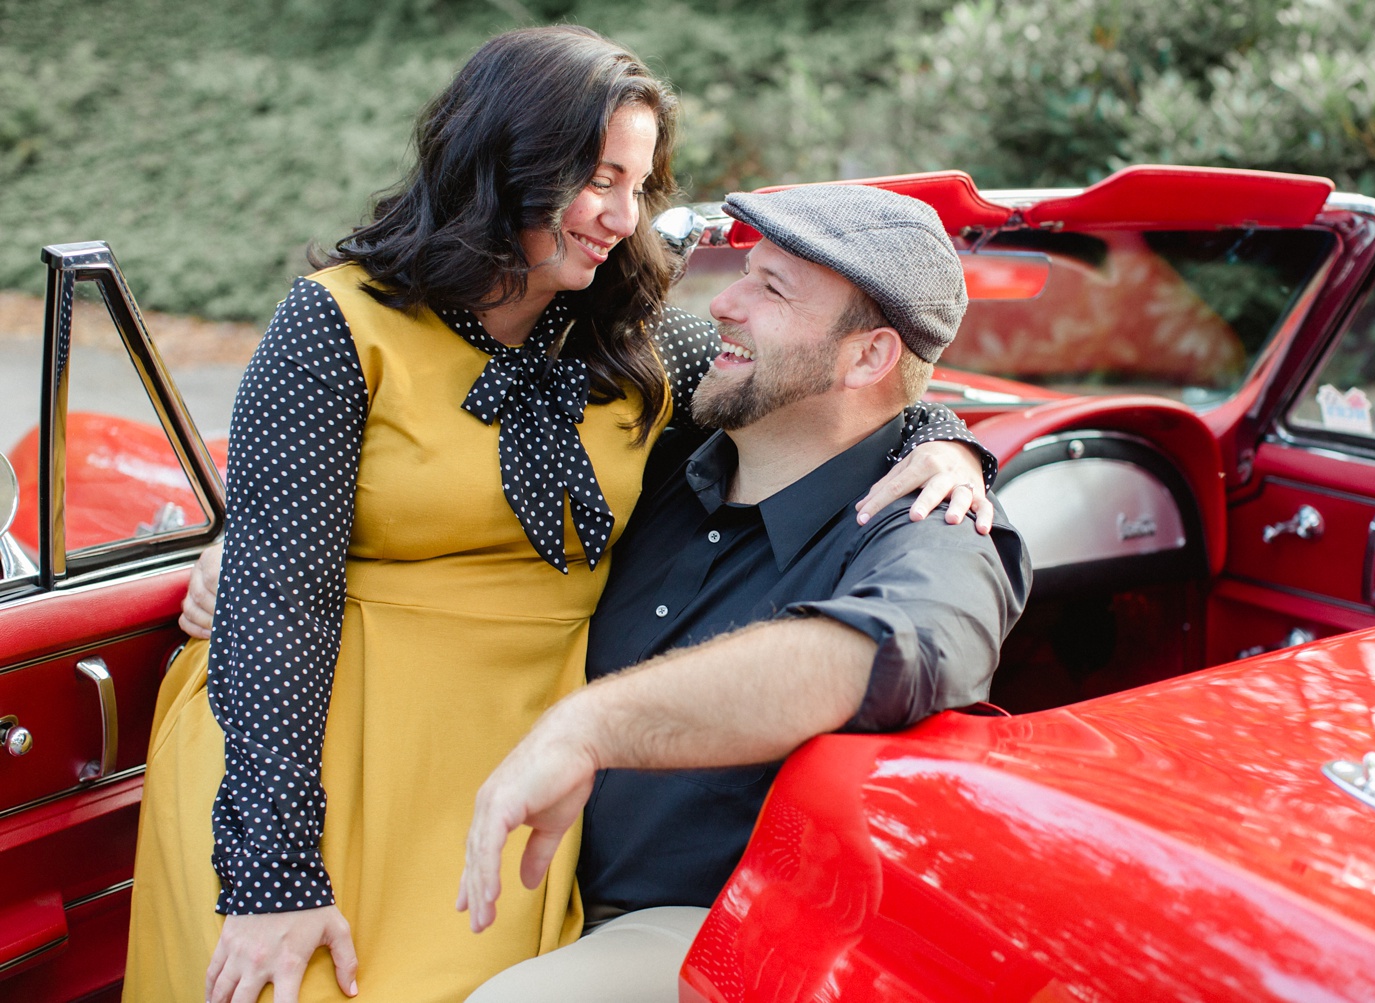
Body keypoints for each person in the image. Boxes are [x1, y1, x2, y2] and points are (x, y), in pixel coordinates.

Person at [126, 26, 995, 1003]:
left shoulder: (640, 344)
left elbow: (841, 388)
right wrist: (274, 871)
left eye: (640, 185)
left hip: (512, 765)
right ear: (504, 163)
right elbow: (277, 603)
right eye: (600, 179)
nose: (623, 216)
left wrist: (946, 436)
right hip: (307, 749)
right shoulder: (337, 324)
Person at [450, 183, 1030, 998]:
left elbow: (892, 649)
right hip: (502, 870)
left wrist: (588, 727)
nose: (724, 302)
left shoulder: (935, 529)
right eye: (744, 272)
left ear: (869, 356)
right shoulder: (659, 452)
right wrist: (289, 538)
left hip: (708, 928)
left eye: (772, 287)